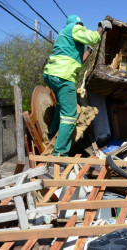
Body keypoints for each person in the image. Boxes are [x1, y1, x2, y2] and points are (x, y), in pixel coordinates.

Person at [43, 15, 112, 156]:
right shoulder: (74, 28)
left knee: (62, 105)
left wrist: (89, 50)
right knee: (70, 116)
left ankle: (52, 133)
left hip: (51, 75)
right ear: (77, 24)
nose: (81, 26)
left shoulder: (65, 36)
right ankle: (59, 154)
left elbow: (80, 60)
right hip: (63, 76)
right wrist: (101, 26)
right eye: (80, 24)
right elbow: (93, 37)